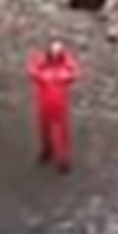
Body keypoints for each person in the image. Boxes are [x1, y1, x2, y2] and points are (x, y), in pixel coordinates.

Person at [26, 41, 81, 173]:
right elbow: (31, 70)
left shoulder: (65, 65)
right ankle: (47, 151)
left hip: (59, 106)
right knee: (44, 130)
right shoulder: (42, 63)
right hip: (44, 104)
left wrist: (50, 77)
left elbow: (75, 73)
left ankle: (63, 159)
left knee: (62, 133)